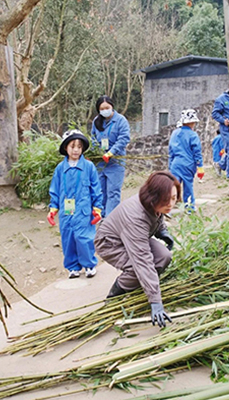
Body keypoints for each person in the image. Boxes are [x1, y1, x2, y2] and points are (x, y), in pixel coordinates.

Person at [94, 171, 180, 328]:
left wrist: (162, 231)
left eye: (174, 198)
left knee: (164, 256)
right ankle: (113, 299)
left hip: (133, 235)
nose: (170, 204)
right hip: (110, 242)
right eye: (166, 200)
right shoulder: (136, 218)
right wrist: (156, 301)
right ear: (154, 196)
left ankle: (140, 287)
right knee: (136, 269)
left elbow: (156, 216)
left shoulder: (153, 203)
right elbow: (143, 261)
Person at [48, 129, 103, 279]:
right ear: (66, 148)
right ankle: (73, 267)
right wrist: (53, 209)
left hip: (83, 211)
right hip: (66, 211)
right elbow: (55, 189)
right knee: (68, 238)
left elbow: (96, 189)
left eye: (79, 147)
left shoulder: (89, 167)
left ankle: (90, 265)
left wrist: (97, 208)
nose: (76, 150)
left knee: (84, 238)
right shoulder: (60, 169)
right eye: (73, 146)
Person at [91, 95, 131, 216]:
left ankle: (110, 218)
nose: (105, 110)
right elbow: (93, 137)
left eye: (107, 107)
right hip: (100, 162)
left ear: (112, 106)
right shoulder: (96, 121)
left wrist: (111, 152)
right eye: (101, 109)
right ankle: (101, 216)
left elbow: (124, 138)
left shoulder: (121, 120)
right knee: (100, 190)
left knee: (113, 191)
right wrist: (95, 152)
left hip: (115, 162)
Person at [168, 109, 204, 211]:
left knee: (173, 186)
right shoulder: (193, 135)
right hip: (188, 164)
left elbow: (170, 152)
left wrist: (170, 165)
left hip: (175, 163)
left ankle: (168, 206)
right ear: (192, 122)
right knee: (188, 186)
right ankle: (189, 207)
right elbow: (197, 152)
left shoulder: (174, 133)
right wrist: (200, 166)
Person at [212, 89, 229, 180]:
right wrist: (223, 120)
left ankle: (220, 164)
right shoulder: (221, 99)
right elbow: (215, 113)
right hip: (227, 128)